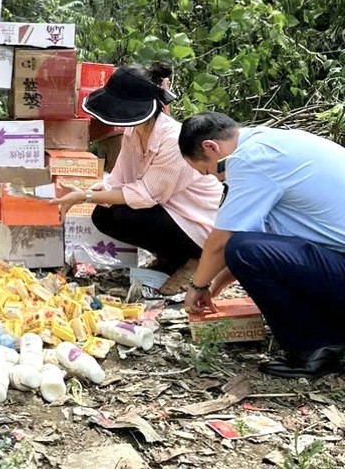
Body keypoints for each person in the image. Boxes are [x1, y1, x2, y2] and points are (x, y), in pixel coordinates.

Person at [179, 112, 345, 378]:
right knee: (246, 248)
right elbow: (259, 238)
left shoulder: (248, 159)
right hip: (335, 260)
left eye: (209, 170)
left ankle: (314, 346)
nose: (217, 178)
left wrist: (197, 286)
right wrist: (216, 284)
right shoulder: (271, 142)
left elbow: (224, 242)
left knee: (241, 249)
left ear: (211, 147)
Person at [51, 64, 223, 293]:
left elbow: (144, 195)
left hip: (197, 224)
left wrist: (86, 195)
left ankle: (195, 260)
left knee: (124, 213)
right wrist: (89, 192)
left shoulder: (173, 140)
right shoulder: (134, 134)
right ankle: (170, 259)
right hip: (167, 212)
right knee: (103, 214)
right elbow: (118, 180)